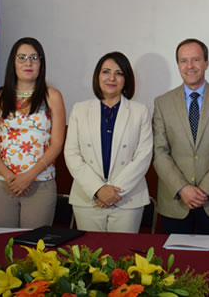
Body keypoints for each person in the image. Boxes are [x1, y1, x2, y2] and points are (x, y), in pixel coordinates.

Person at [152, 38, 209, 235]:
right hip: (175, 203)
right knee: (174, 263)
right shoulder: (162, 103)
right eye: (183, 61)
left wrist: (205, 190)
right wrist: (182, 188)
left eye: (196, 60)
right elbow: (159, 153)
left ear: (206, 63)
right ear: (178, 65)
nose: (190, 66)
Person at [0, 37, 65, 228]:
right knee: (2, 244)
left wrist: (28, 177)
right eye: (22, 57)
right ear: (13, 62)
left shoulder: (52, 96)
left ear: (41, 63)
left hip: (40, 184)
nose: (28, 62)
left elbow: (57, 144)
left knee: (35, 248)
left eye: (34, 58)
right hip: (2, 183)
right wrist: (10, 177)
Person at [64, 51, 153, 233]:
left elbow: (143, 155)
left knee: (124, 257)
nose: (112, 78)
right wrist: (98, 189)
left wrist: (113, 192)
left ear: (126, 79)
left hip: (127, 199)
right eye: (106, 71)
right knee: (88, 257)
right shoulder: (80, 110)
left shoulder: (140, 111)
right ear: (98, 76)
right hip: (88, 198)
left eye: (119, 73)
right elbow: (72, 154)